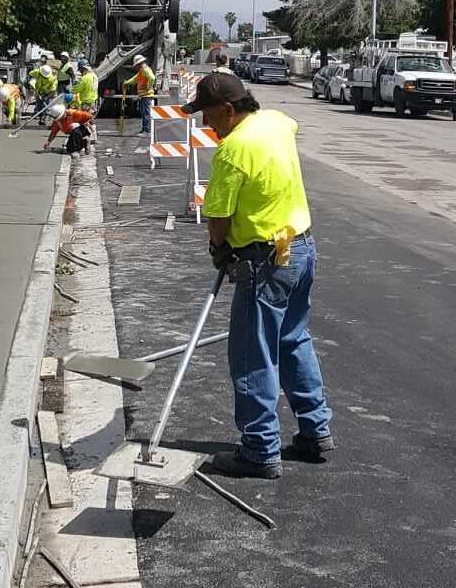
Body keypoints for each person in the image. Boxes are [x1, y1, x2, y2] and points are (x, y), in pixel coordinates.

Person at [185, 70, 332, 481]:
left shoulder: (233, 150)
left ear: (229, 111)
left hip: (264, 259)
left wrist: (220, 251)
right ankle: (315, 431)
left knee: (252, 353)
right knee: (293, 339)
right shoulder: (276, 122)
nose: (205, 124)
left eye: (209, 116)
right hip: (300, 247)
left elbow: (218, 216)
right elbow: (286, 129)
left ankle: (260, 449)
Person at [123, 52, 156, 134]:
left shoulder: (145, 69)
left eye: (137, 64)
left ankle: (146, 130)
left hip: (147, 95)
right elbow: (135, 79)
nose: (136, 66)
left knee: (146, 113)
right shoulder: (142, 71)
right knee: (143, 112)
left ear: (140, 63)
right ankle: (144, 129)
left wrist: (149, 86)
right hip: (143, 95)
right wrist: (127, 83)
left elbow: (152, 78)